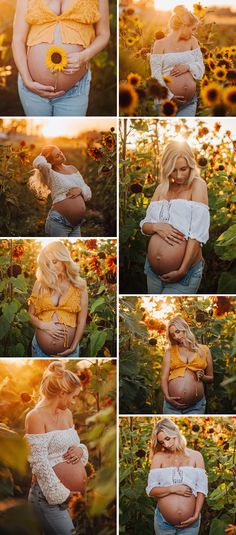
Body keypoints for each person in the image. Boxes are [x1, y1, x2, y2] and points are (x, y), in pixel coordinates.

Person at [12, 0, 110, 116]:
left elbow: (104, 34)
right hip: (32, 88)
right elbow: (18, 39)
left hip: (74, 90)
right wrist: (27, 81)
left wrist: (84, 56)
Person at [25, 361, 88, 535]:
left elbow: (74, 444)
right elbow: (38, 462)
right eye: (73, 396)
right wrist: (61, 494)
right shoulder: (35, 417)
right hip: (47, 497)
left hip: (68, 498)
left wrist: (81, 450)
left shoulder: (66, 414)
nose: (74, 402)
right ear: (61, 393)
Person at [140, 140, 210, 294]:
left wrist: (183, 269)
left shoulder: (197, 185)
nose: (179, 175)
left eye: (183, 169)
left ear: (191, 165)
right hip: (152, 272)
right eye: (173, 170)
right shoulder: (161, 188)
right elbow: (145, 226)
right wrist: (157, 226)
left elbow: (197, 234)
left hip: (184, 274)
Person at [146, 418, 208, 535]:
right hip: (164, 524)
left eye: (167, 438)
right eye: (162, 442)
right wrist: (173, 489)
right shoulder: (159, 457)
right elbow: (151, 490)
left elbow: (202, 489)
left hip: (191, 524)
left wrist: (195, 515)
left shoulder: (196, 456)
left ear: (175, 432)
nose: (166, 445)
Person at [28, 241, 88, 358]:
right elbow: (29, 315)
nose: (51, 267)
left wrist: (73, 346)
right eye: (47, 264)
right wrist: (44, 325)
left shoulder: (80, 286)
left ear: (64, 260)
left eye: (55, 262)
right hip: (40, 351)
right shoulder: (40, 283)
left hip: (69, 353)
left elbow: (81, 321)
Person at [150, 5, 205, 116]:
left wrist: (188, 67)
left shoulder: (193, 41)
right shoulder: (160, 44)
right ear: (184, 26)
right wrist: (169, 97)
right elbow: (155, 75)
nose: (193, 32)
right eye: (192, 28)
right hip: (165, 103)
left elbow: (201, 67)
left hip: (189, 103)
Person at [30, 145, 92, 237]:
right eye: (57, 156)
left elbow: (87, 192)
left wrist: (80, 189)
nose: (61, 155)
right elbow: (39, 163)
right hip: (59, 222)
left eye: (60, 152)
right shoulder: (49, 173)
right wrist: (43, 154)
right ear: (51, 161)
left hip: (76, 226)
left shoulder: (72, 168)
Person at [161, 316, 214, 414]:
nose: (176, 337)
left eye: (177, 332)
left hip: (195, 407)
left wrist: (203, 377)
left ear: (185, 328)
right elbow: (164, 377)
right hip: (171, 407)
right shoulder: (170, 351)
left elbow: (211, 378)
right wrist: (167, 398)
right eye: (173, 335)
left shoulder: (204, 350)